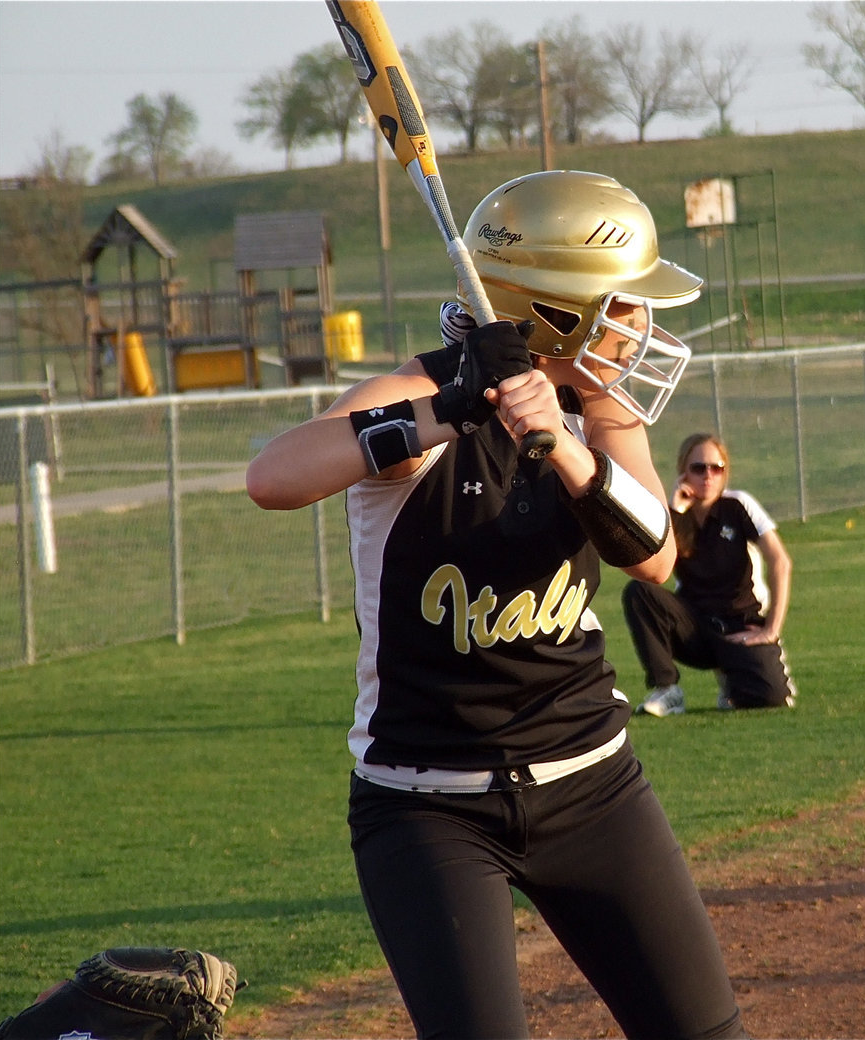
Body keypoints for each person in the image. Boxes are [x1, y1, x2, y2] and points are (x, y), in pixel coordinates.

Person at [246, 170, 745, 1040]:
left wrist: (563, 448)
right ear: (558, 314)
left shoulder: (599, 407)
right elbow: (273, 478)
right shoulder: (423, 396)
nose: (643, 328)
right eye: (625, 307)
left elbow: (654, 555)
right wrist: (448, 409)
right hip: (427, 804)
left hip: (592, 785)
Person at [625, 433, 797, 716]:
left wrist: (771, 630)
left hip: (740, 627)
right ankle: (667, 690)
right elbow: (653, 568)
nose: (708, 475)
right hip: (697, 629)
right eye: (698, 468)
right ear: (683, 472)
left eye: (717, 468)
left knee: (772, 696)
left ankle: (734, 682)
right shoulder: (673, 515)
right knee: (638, 591)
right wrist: (675, 510)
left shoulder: (738, 505)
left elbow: (780, 562)